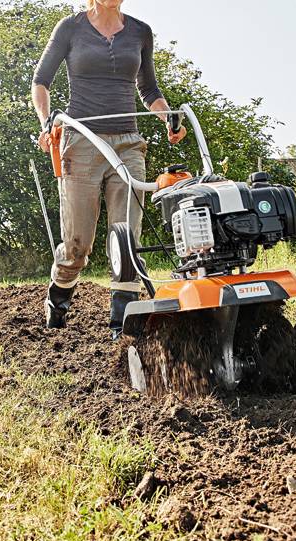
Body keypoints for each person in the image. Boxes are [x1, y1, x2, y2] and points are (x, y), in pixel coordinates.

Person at [32, 0, 186, 340]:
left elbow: (149, 90)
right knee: (77, 244)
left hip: (128, 144)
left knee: (127, 237)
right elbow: (40, 82)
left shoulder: (140, 31)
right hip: (81, 141)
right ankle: (58, 300)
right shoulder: (70, 27)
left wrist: (168, 117)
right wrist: (46, 124)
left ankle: (123, 327)